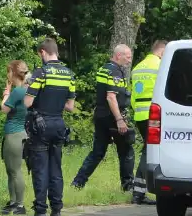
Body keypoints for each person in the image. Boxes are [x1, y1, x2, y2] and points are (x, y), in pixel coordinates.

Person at [17, 38, 76, 216]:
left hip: (41, 124)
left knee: (40, 169)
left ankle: (40, 215)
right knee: (56, 170)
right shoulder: (69, 74)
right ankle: (56, 215)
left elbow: (27, 102)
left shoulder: (40, 73)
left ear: (42, 52)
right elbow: (70, 106)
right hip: (59, 123)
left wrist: (28, 88)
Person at [71, 44, 135, 192]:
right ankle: (128, 186)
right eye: (127, 56)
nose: (129, 60)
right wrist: (119, 119)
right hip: (112, 117)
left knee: (97, 152)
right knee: (126, 151)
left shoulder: (104, 69)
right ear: (118, 55)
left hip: (100, 115)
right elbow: (111, 97)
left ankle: (77, 183)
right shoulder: (115, 72)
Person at [128, 40, 166, 205]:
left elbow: (133, 94)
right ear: (162, 51)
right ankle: (138, 193)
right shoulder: (160, 66)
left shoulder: (138, 67)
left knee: (146, 151)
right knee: (148, 152)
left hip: (139, 115)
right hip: (153, 114)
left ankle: (139, 191)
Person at [0, 60, 31, 215]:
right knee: (11, 170)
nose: (7, 75)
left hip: (14, 134)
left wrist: (6, 95)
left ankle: (19, 204)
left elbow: (4, 109)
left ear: (13, 73)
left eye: (8, 72)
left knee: (15, 170)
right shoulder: (27, 89)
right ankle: (12, 202)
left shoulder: (18, 91)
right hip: (20, 133)